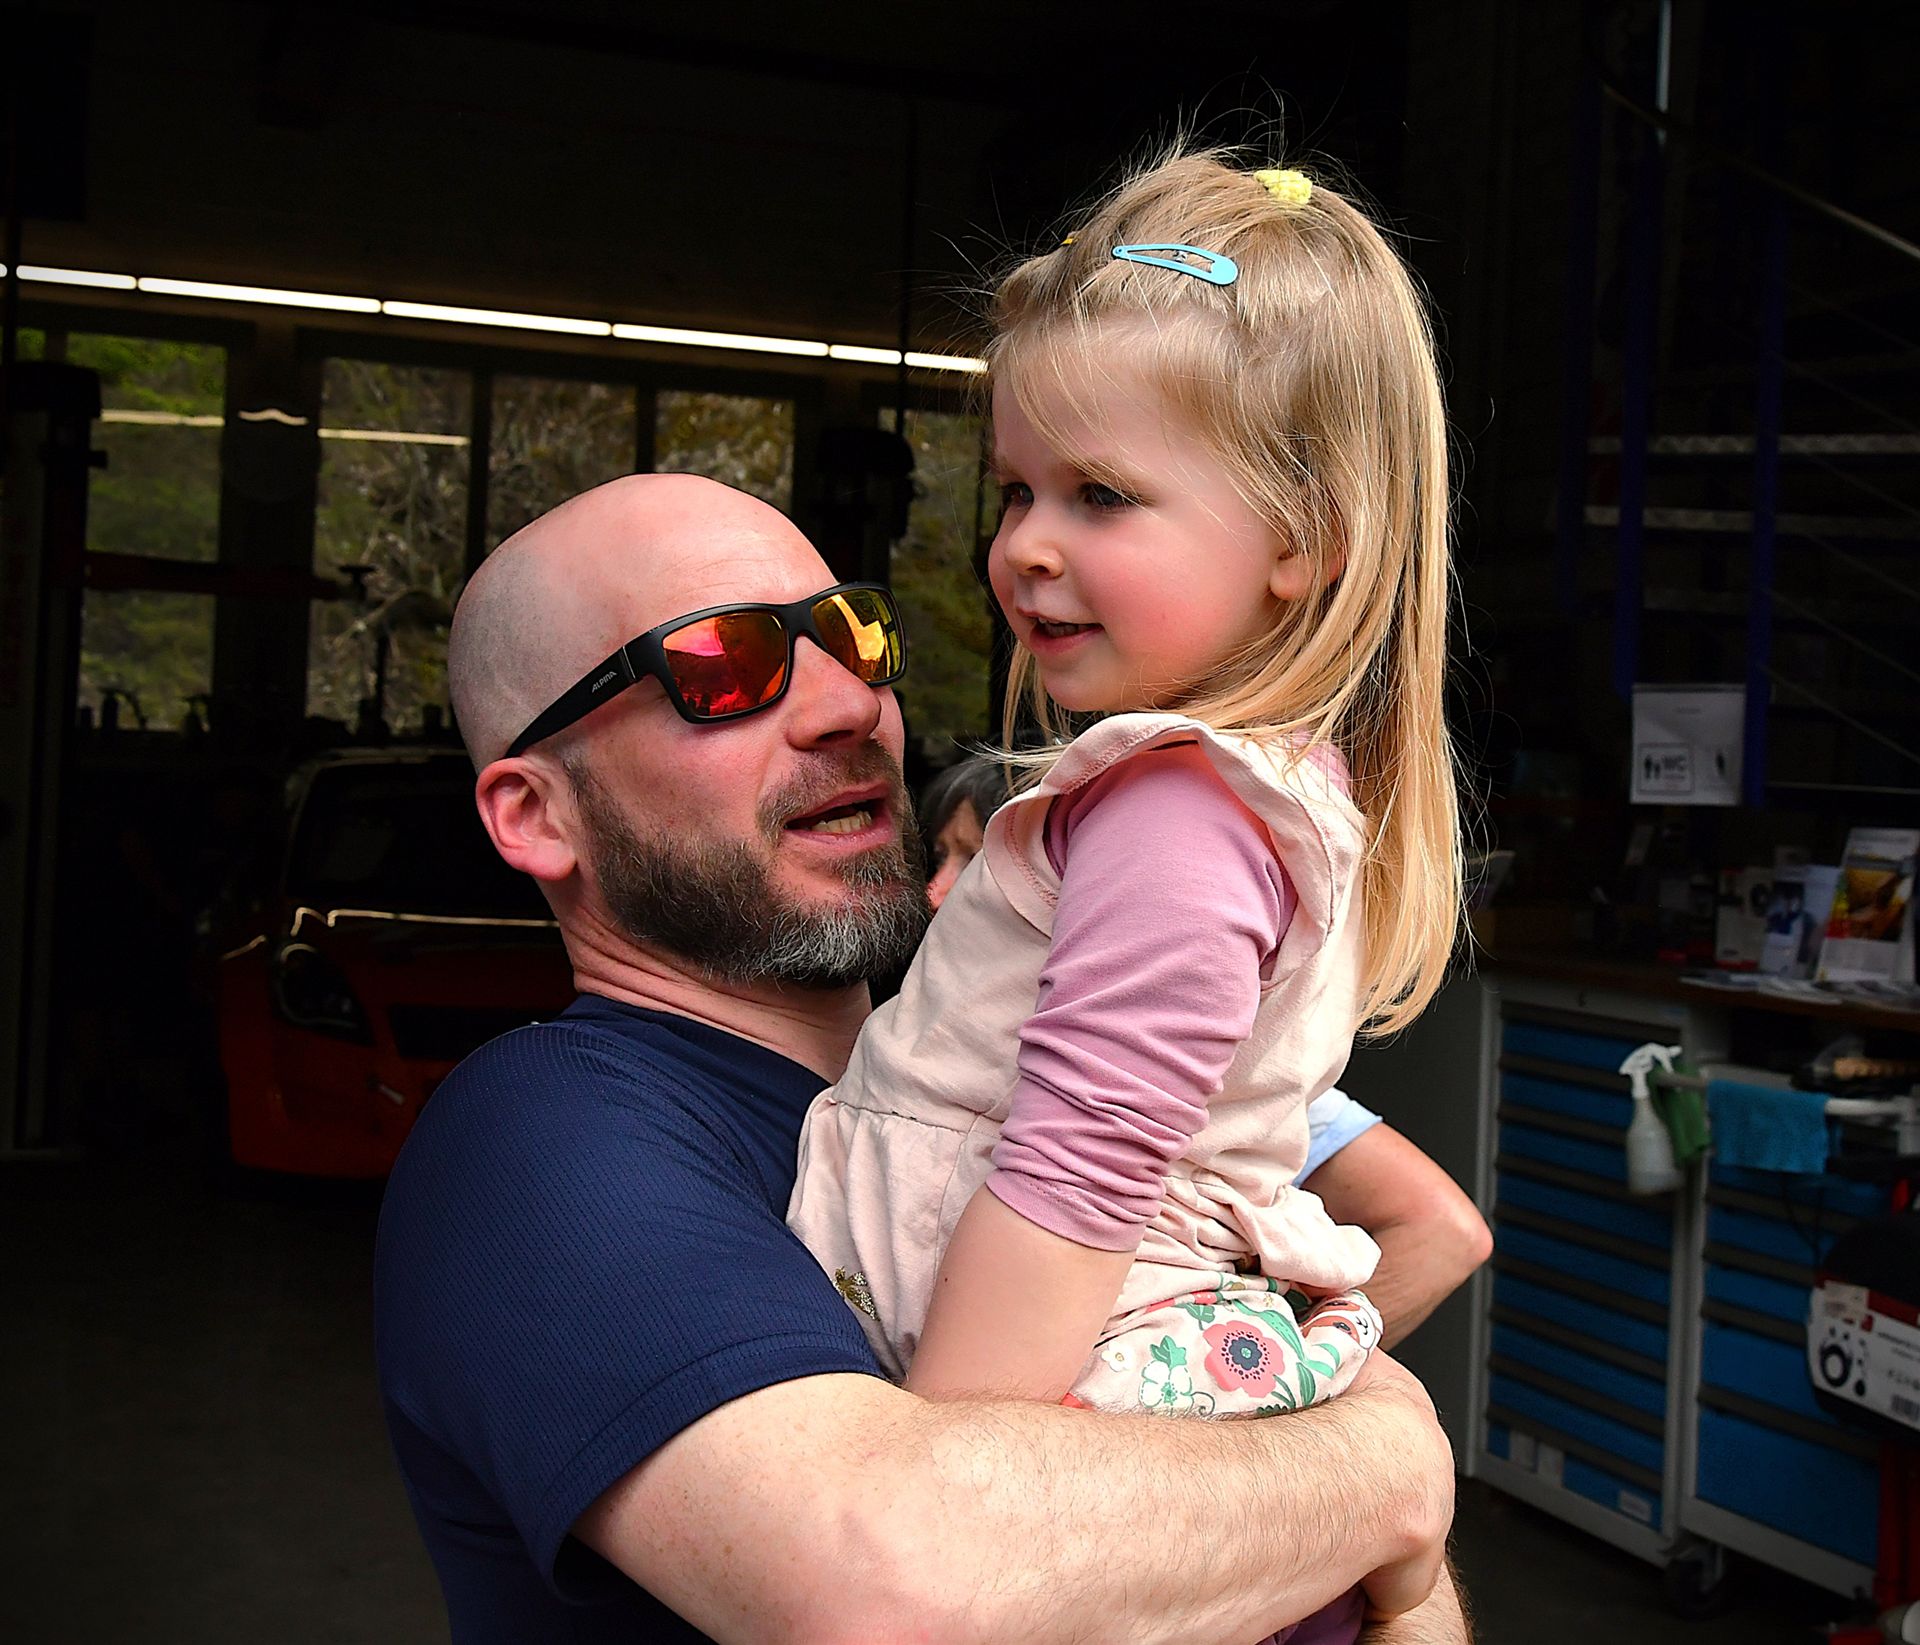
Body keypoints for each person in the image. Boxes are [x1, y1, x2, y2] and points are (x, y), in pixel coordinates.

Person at [374, 471, 1467, 1644]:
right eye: (723, 666)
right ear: (537, 814)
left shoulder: (1026, 1058)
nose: (849, 705)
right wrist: (1381, 1462)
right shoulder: (533, 1142)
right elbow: (893, 1596)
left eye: (853, 634)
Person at [787, 150, 1463, 1643]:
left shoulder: (1177, 809)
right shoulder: (1236, 789)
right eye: (1019, 488)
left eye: (1101, 495)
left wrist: (942, 1474)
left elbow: (1080, 1167)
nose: (1026, 543)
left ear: (1306, 541)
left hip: (1035, 1383)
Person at [915, 757, 1491, 1349]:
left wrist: (1262, 1370)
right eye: (939, 857)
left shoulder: (1221, 1080)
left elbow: (1444, 1233)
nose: (937, 892)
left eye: (978, 864)